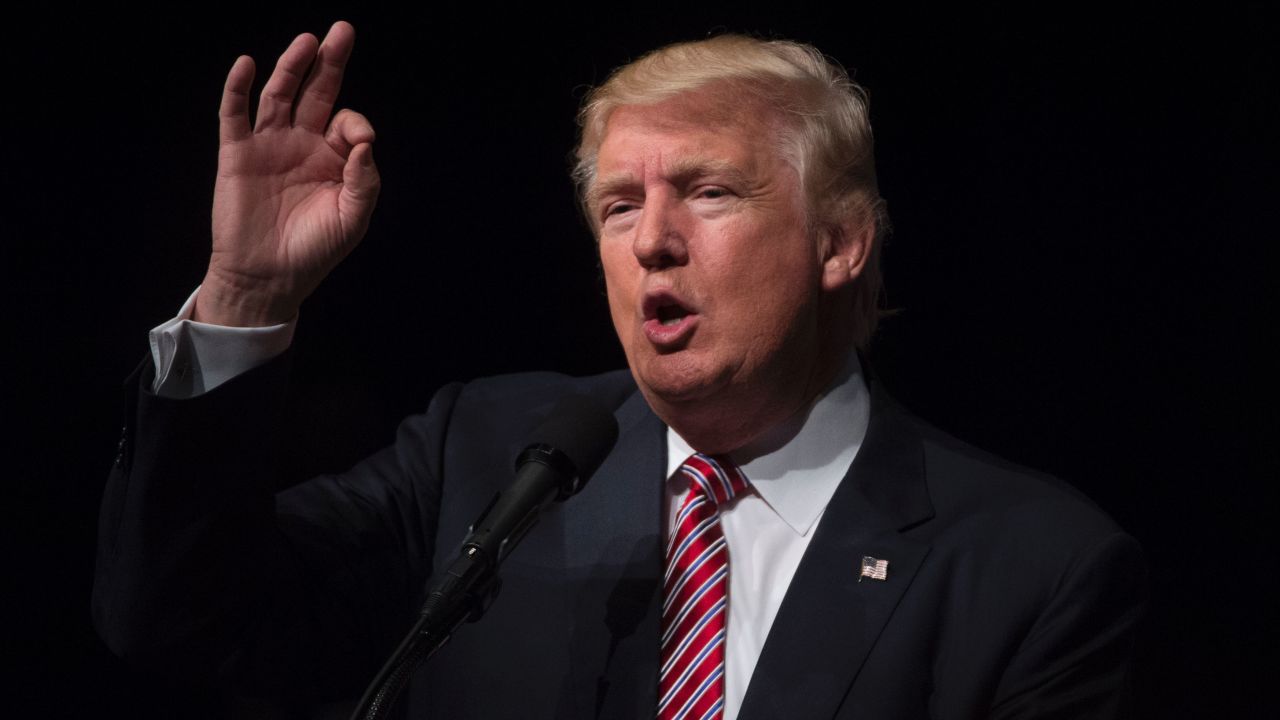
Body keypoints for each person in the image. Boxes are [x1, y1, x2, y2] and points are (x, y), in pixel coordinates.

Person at [93, 21, 1146, 720]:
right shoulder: (489, 456)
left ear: (840, 242)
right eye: (619, 205)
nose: (650, 241)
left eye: (710, 192)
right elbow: (182, 622)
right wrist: (246, 296)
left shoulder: (1029, 570)